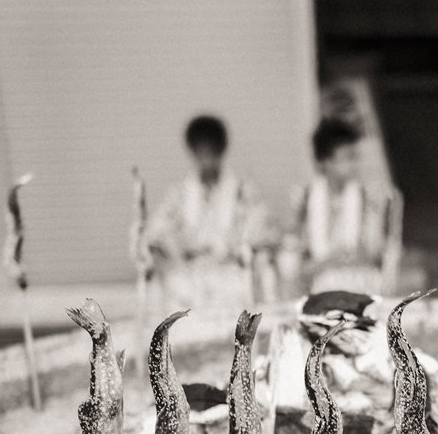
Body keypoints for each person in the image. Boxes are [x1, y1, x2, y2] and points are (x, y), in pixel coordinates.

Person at [145, 114, 275, 309]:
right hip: (190, 270)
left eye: (211, 152)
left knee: (239, 288)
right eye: (201, 152)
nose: (206, 159)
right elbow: (156, 231)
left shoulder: (242, 191)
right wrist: (177, 254)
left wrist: (239, 249)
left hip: (230, 269)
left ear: (220, 152)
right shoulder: (179, 194)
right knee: (176, 288)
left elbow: (261, 228)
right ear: (193, 153)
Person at [279, 117, 402, 296]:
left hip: (363, 290)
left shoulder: (371, 198)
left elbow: (382, 255)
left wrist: (358, 256)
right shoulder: (302, 201)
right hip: (317, 294)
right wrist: (330, 261)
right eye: (346, 158)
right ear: (324, 162)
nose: (353, 165)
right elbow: (290, 266)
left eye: (355, 157)